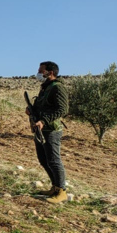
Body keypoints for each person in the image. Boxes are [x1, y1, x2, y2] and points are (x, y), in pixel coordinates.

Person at [27, 61, 69, 204]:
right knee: (44, 160)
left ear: (50, 73)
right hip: (40, 129)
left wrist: (44, 120)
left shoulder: (58, 87)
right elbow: (44, 106)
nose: (38, 73)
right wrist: (32, 110)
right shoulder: (46, 87)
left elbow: (62, 109)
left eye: (41, 71)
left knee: (54, 161)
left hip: (51, 130)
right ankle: (55, 187)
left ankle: (62, 192)